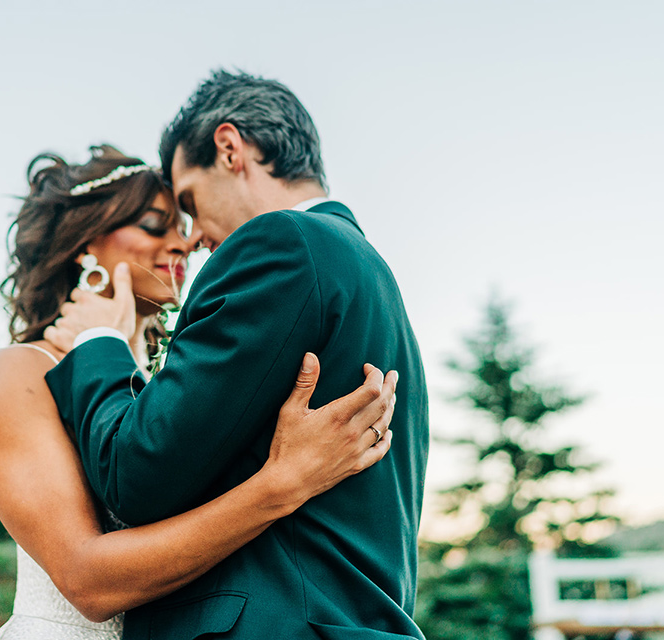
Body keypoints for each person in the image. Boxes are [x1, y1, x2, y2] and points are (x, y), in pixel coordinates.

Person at [44, 71, 429, 639]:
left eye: (190, 203)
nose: (195, 236)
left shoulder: (283, 243)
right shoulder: (370, 277)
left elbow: (138, 474)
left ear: (229, 148)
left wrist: (97, 344)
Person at [0, 145, 400, 640]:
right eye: (156, 224)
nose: (186, 242)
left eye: (184, 223)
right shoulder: (20, 372)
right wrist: (284, 482)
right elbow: (87, 581)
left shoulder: (165, 392)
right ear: (85, 243)